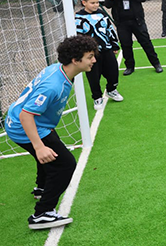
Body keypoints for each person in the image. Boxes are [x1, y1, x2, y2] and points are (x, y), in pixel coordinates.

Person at [4, 35, 98, 230]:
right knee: (65, 164)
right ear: (75, 60)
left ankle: (41, 187)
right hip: (23, 126)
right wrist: (38, 147)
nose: (94, 60)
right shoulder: (53, 86)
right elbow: (26, 115)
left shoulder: (57, 70)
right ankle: (42, 213)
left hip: (28, 122)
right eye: (90, 56)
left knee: (50, 152)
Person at [104, 0, 162, 75]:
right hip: (122, 22)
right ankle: (129, 66)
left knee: (146, 42)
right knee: (126, 45)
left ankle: (156, 63)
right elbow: (107, 4)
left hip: (137, 20)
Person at [75, 0, 123, 110]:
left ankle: (111, 90)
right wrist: (83, 52)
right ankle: (97, 97)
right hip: (90, 54)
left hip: (106, 49)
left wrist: (114, 44)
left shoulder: (102, 14)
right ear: (84, 3)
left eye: (97, 2)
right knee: (93, 76)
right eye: (92, 3)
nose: (96, 5)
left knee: (113, 72)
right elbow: (78, 36)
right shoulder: (78, 17)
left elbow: (110, 29)